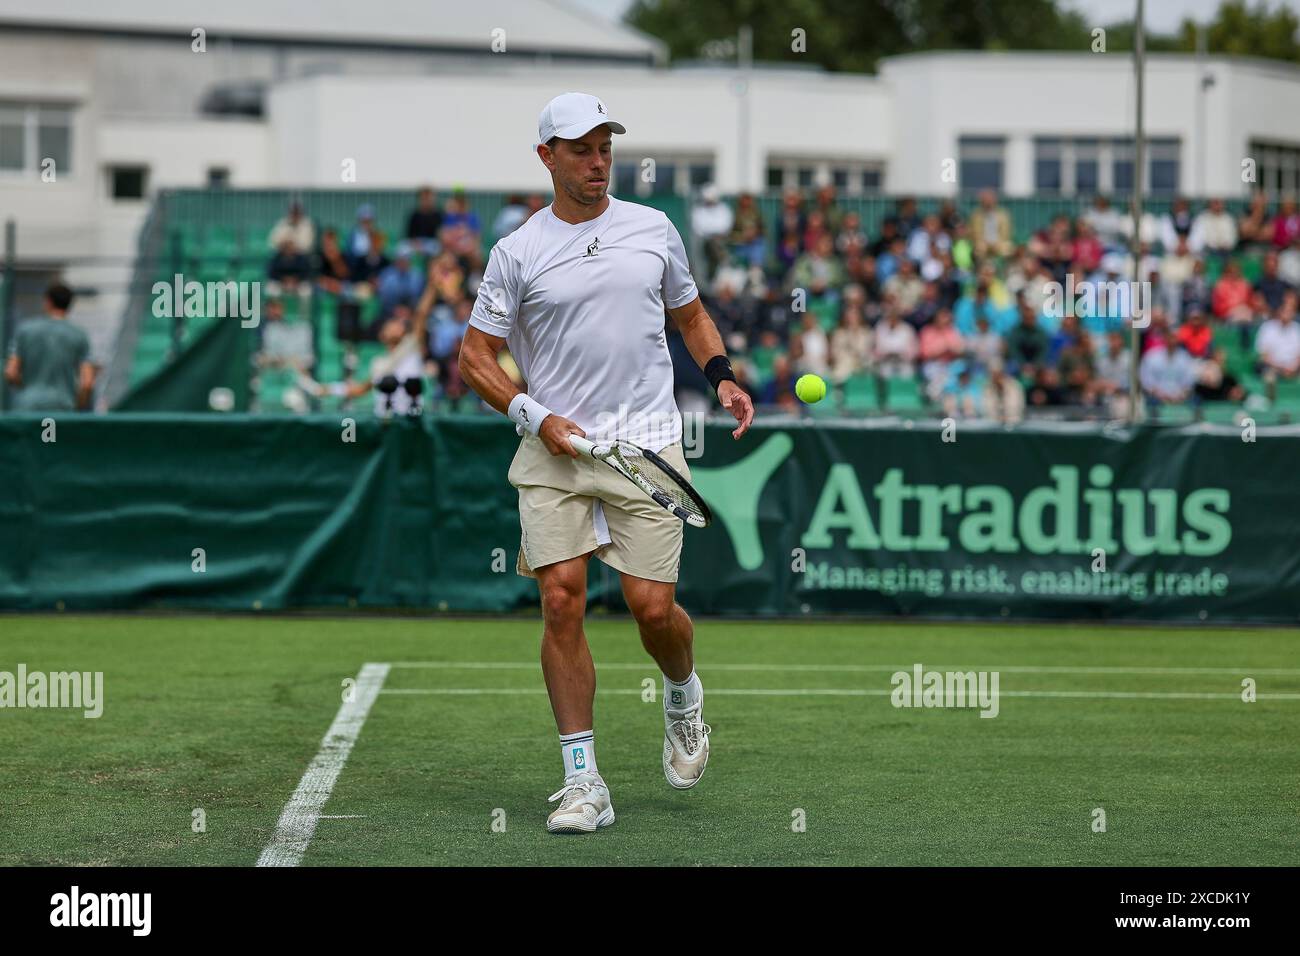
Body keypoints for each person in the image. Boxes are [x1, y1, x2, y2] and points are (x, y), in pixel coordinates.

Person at [456, 92, 754, 835]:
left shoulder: (654, 228)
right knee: (561, 598)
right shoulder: (517, 250)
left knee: (653, 611)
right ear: (547, 158)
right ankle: (583, 782)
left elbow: (688, 314)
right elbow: (473, 358)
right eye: (581, 149)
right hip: (554, 448)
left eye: (604, 147)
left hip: (645, 444)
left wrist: (720, 373)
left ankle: (683, 694)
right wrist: (534, 416)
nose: (597, 161)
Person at [4, 282, 95, 411]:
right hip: (62, 406)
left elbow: (11, 373)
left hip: (27, 407)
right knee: (54, 432)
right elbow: (87, 383)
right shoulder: (79, 335)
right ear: (70, 305)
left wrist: (27, 390)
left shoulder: (25, 330)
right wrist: (77, 405)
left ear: (48, 302)